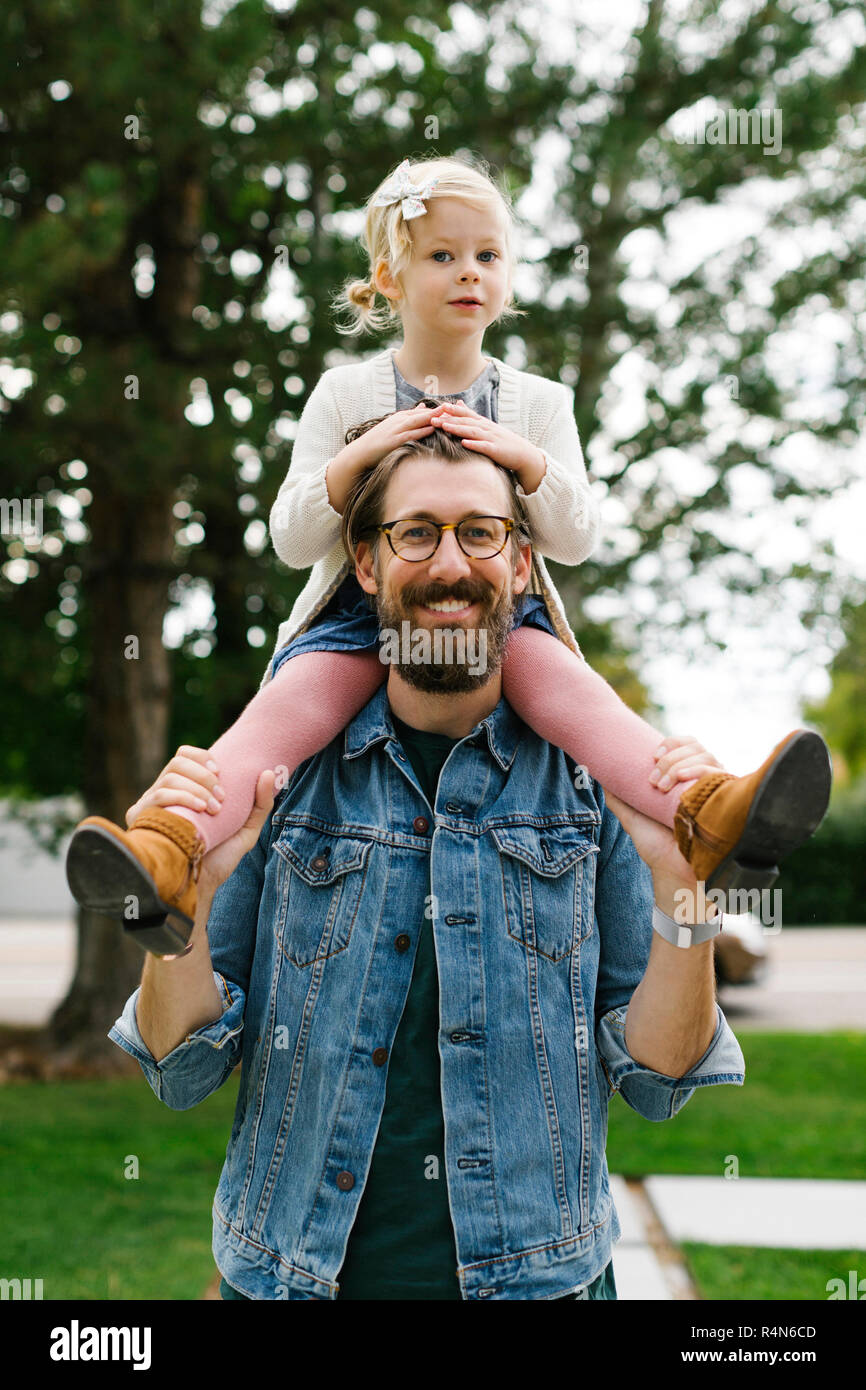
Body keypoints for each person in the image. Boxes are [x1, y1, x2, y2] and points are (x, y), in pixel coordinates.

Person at [68, 155, 832, 956]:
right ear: (389, 279)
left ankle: (710, 820)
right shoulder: (345, 395)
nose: (469, 272)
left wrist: (527, 462)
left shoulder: (539, 404)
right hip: (360, 614)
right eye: (442, 255)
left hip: (495, 614)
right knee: (273, 725)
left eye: (487, 256)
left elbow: (576, 538)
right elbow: (292, 538)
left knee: (590, 708)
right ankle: (167, 854)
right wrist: (361, 459)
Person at [109, 431, 748, 1300]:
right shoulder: (278, 782)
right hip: (293, 1281)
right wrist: (185, 914)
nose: (450, 562)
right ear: (367, 564)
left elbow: (662, 1080)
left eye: (480, 533)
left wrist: (687, 898)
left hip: (539, 1285)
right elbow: (178, 1069)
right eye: (417, 533)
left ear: (522, 565)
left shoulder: (599, 787)